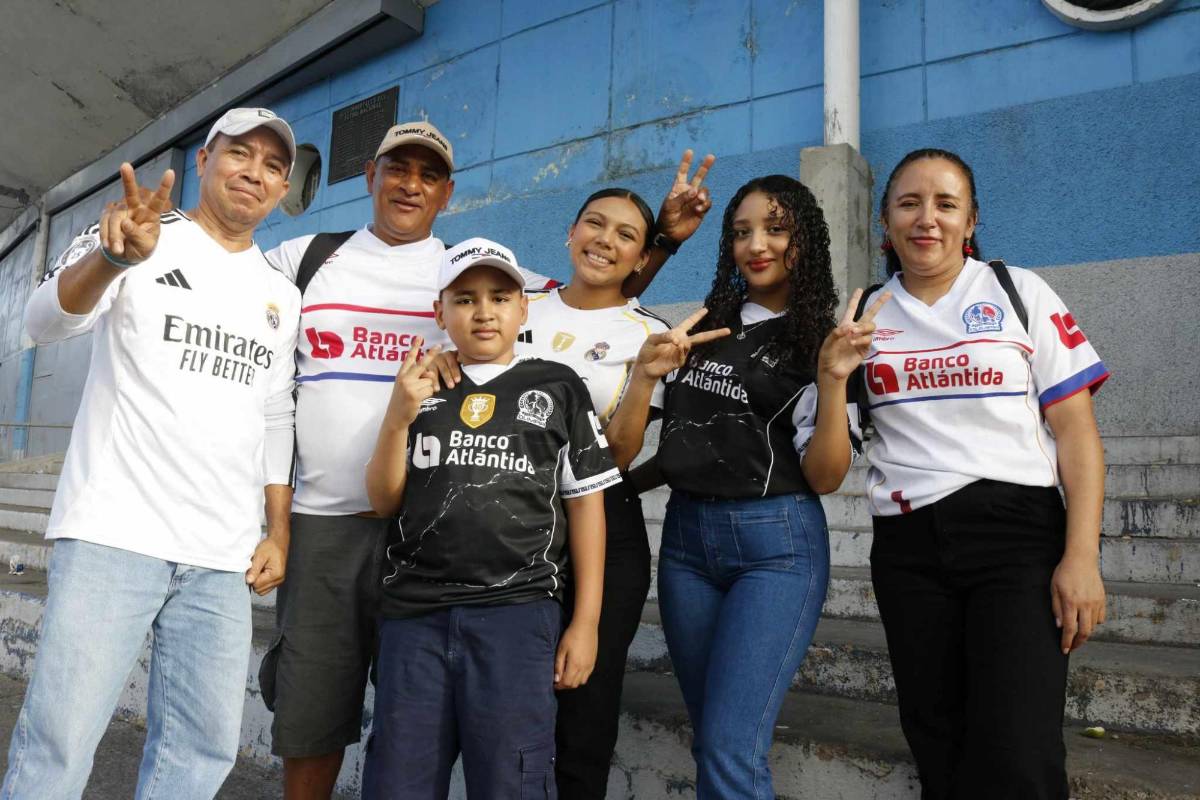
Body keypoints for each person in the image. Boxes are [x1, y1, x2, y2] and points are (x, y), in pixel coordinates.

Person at [260, 129, 710, 797]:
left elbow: (604, 293)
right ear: (369, 175)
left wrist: (666, 243)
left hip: (497, 552)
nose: (483, 311)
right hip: (366, 530)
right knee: (350, 727)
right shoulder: (313, 258)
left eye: (429, 175)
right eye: (397, 169)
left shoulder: (529, 298)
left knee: (522, 740)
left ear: (448, 191)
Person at [2, 107, 301, 798]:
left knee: (199, 754)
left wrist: (277, 531)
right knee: (59, 742)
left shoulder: (280, 296)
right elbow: (42, 322)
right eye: (239, 154)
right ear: (203, 161)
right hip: (114, 534)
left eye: (272, 165)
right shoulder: (142, 232)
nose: (254, 172)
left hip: (221, 557)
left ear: (283, 189)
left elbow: (275, 415)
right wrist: (110, 259)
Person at [426, 154, 715, 797]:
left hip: (601, 526)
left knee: (583, 713)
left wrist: (642, 376)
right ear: (569, 233)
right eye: (594, 224)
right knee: (499, 710)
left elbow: (616, 455)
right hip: (505, 518)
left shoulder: (647, 332)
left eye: (625, 236)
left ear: (643, 258)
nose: (604, 242)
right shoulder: (516, 304)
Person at [860, 148, 1108, 799]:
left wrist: (1081, 556)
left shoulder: (1018, 291)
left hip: (1017, 538)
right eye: (909, 203)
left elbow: (1077, 434)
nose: (927, 218)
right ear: (884, 223)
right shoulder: (861, 314)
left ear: (971, 220)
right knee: (940, 747)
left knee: (1019, 754)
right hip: (908, 548)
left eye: (946, 204)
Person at [627, 174, 884, 798]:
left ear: (807, 240)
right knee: (713, 733)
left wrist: (828, 380)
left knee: (728, 747)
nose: (756, 245)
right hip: (687, 544)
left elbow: (825, 475)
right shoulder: (704, 324)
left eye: (775, 229)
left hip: (776, 545)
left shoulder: (824, 340)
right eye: (741, 232)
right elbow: (683, 444)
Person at [361, 238, 620, 798]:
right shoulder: (421, 384)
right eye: (465, 299)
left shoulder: (557, 385)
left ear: (523, 307)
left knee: (512, 779)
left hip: (517, 616)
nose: (483, 312)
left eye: (500, 297)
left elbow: (586, 505)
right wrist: (397, 418)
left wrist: (587, 621)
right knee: (397, 780)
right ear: (440, 312)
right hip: (415, 618)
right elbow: (384, 500)